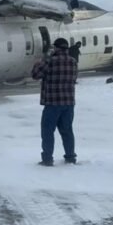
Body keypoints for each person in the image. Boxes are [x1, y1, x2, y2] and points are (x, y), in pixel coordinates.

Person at [31, 38, 78, 166]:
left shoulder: (50, 61)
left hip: (52, 103)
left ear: (56, 48)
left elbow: (35, 75)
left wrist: (37, 64)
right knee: (67, 131)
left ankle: (47, 158)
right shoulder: (73, 61)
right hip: (68, 103)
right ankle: (70, 157)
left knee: (47, 131)